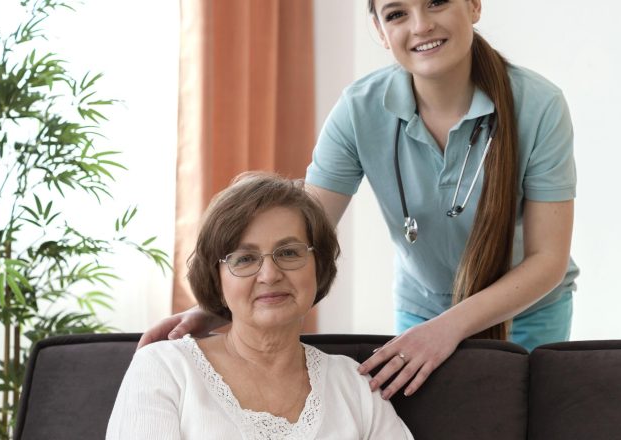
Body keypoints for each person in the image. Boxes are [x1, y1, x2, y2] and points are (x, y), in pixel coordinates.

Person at [140, 0, 577, 402]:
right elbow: (300, 230)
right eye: (396, 13)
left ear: (474, 5)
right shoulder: (359, 109)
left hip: (528, 309)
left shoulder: (538, 106)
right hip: (423, 308)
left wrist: (448, 329)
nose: (421, 25)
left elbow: (547, 260)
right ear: (379, 30)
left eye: (437, 2)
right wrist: (216, 309)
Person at [108, 172, 413, 439]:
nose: (269, 275)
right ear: (217, 278)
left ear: (318, 266)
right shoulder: (165, 368)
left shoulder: (354, 385)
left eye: (289, 253)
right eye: (245, 259)